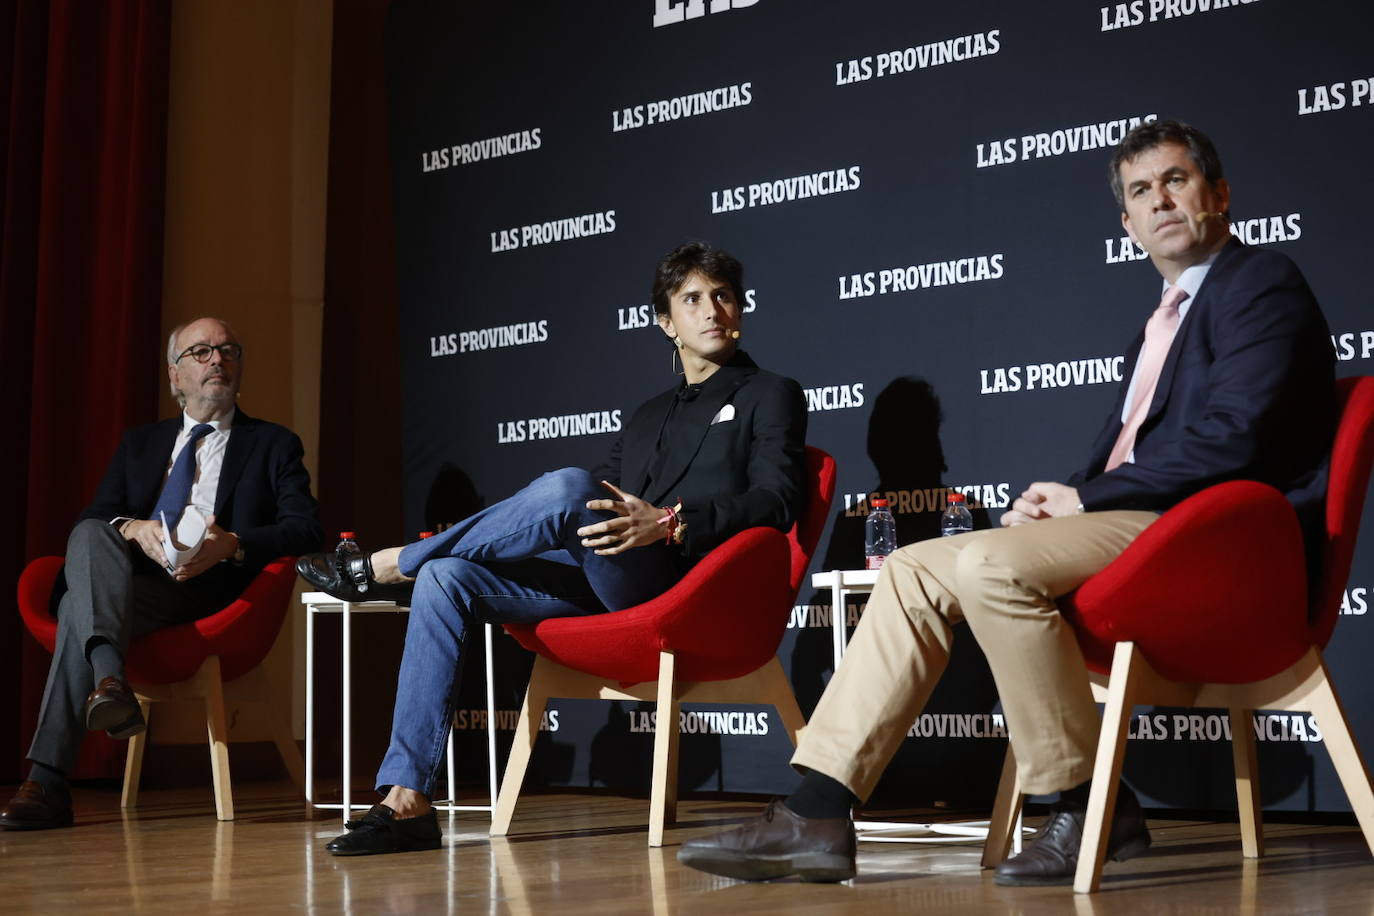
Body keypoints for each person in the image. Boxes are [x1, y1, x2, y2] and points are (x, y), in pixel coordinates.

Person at [677, 120, 1336, 886]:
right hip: (1145, 525)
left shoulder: (1259, 281)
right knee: (915, 568)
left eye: (1176, 180)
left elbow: (1236, 438)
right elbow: (1152, 452)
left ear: (1218, 194)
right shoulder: (1160, 322)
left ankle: (1084, 800)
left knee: (991, 561)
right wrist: (1064, 508)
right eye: (1139, 191)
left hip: (1217, 540)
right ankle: (818, 810)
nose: (1159, 200)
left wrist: (1084, 497)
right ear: (1126, 225)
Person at [298, 241, 808, 856]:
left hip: (687, 587)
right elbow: (597, 500)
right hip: (610, 581)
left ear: (741, 307)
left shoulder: (770, 392)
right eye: (693, 299)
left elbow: (779, 500)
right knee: (448, 577)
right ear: (666, 323)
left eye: (723, 295)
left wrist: (671, 522)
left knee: (565, 489)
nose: (712, 311)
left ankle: (391, 563)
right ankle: (408, 797)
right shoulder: (647, 415)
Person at [1, 317, 323, 830]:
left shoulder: (272, 444)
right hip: (135, 585)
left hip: (209, 592)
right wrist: (132, 528)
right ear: (174, 376)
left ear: (238, 367)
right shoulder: (141, 444)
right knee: (90, 535)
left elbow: (306, 529)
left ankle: (48, 780)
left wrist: (232, 545)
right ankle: (109, 681)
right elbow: (96, 516)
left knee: (72, 608)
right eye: (200, 352)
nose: (217, 360)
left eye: (227, 351)